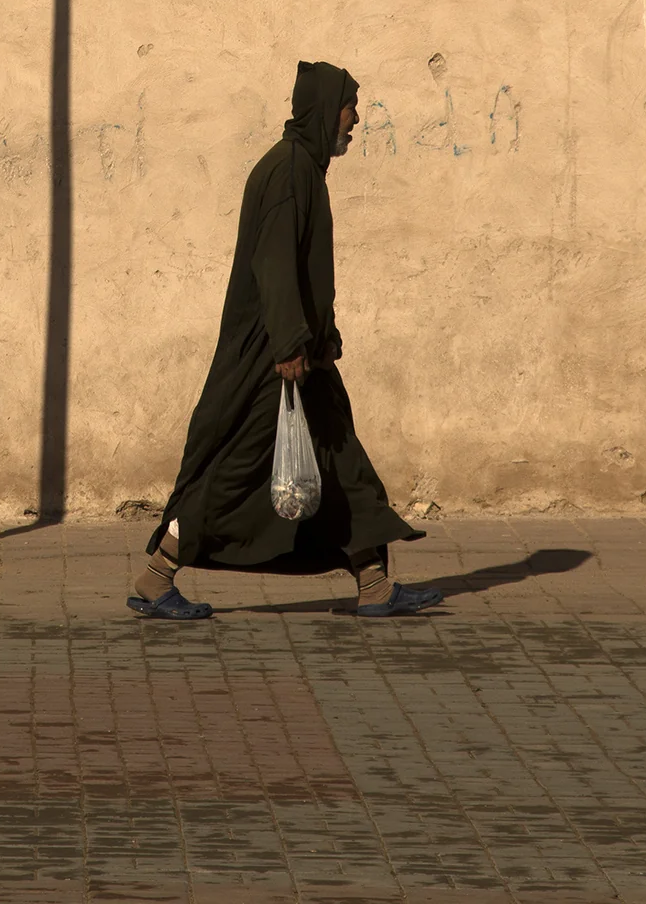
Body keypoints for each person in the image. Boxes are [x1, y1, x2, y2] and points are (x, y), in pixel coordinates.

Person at [128, 60, 443, 622]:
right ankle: (156, 577)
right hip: (272, 359)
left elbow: (305, 272)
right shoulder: (287, 171)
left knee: (343, 462)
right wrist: (291, 345)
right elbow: (274, 265)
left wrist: (323, 336)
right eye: (350, 108)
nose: (355, 121)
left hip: (299, 352)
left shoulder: (304, 168)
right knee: (236, 471)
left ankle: (373, 584)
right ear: (326, 109)